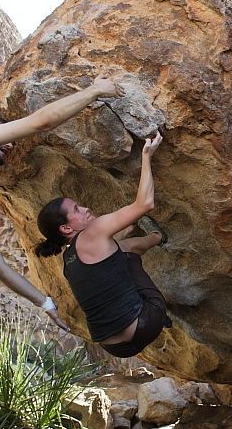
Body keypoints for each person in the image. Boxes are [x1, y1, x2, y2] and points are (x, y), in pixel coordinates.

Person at [0, 74, 124, 329]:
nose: (11, 143)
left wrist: (45, 304)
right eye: (3, 135)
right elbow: (41, 122)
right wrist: (94, 91)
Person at [35, 131, 171, 357]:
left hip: (114, 347)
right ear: (66, 228)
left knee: (122, 249)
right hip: (145, 324)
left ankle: (156, 237)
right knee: (126, 252)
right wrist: (147, 157)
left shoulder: (69, 262)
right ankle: (157, 236)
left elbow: (108, 261)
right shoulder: (92, 235)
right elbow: (145, 203)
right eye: (77, 210)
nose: (86, 209)